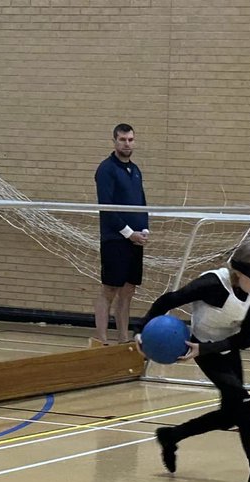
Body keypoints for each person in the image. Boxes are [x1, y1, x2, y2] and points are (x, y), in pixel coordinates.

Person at [137, 240, 250, 482]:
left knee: (229, 415)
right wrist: (142, 331)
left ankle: (171, 436)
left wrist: (209, 348)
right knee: (245, 404)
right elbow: (168, 300)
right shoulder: (212, 285)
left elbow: (245, 339)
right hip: (200, 347)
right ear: (239, 274)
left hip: (222, 347)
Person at [93, 123, 149, 345]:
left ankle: (124, 339)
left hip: (136, 240)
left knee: (128, 290)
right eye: (123, 140)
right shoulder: (106, 169)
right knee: (110, 289)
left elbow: (142, 203)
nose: (127, 143)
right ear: (114, 141)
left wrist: (144, 231)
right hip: (115, 240)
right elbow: (106, 208)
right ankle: (101, 340)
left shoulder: (135, 170)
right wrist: (128, 233)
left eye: (130, 139)